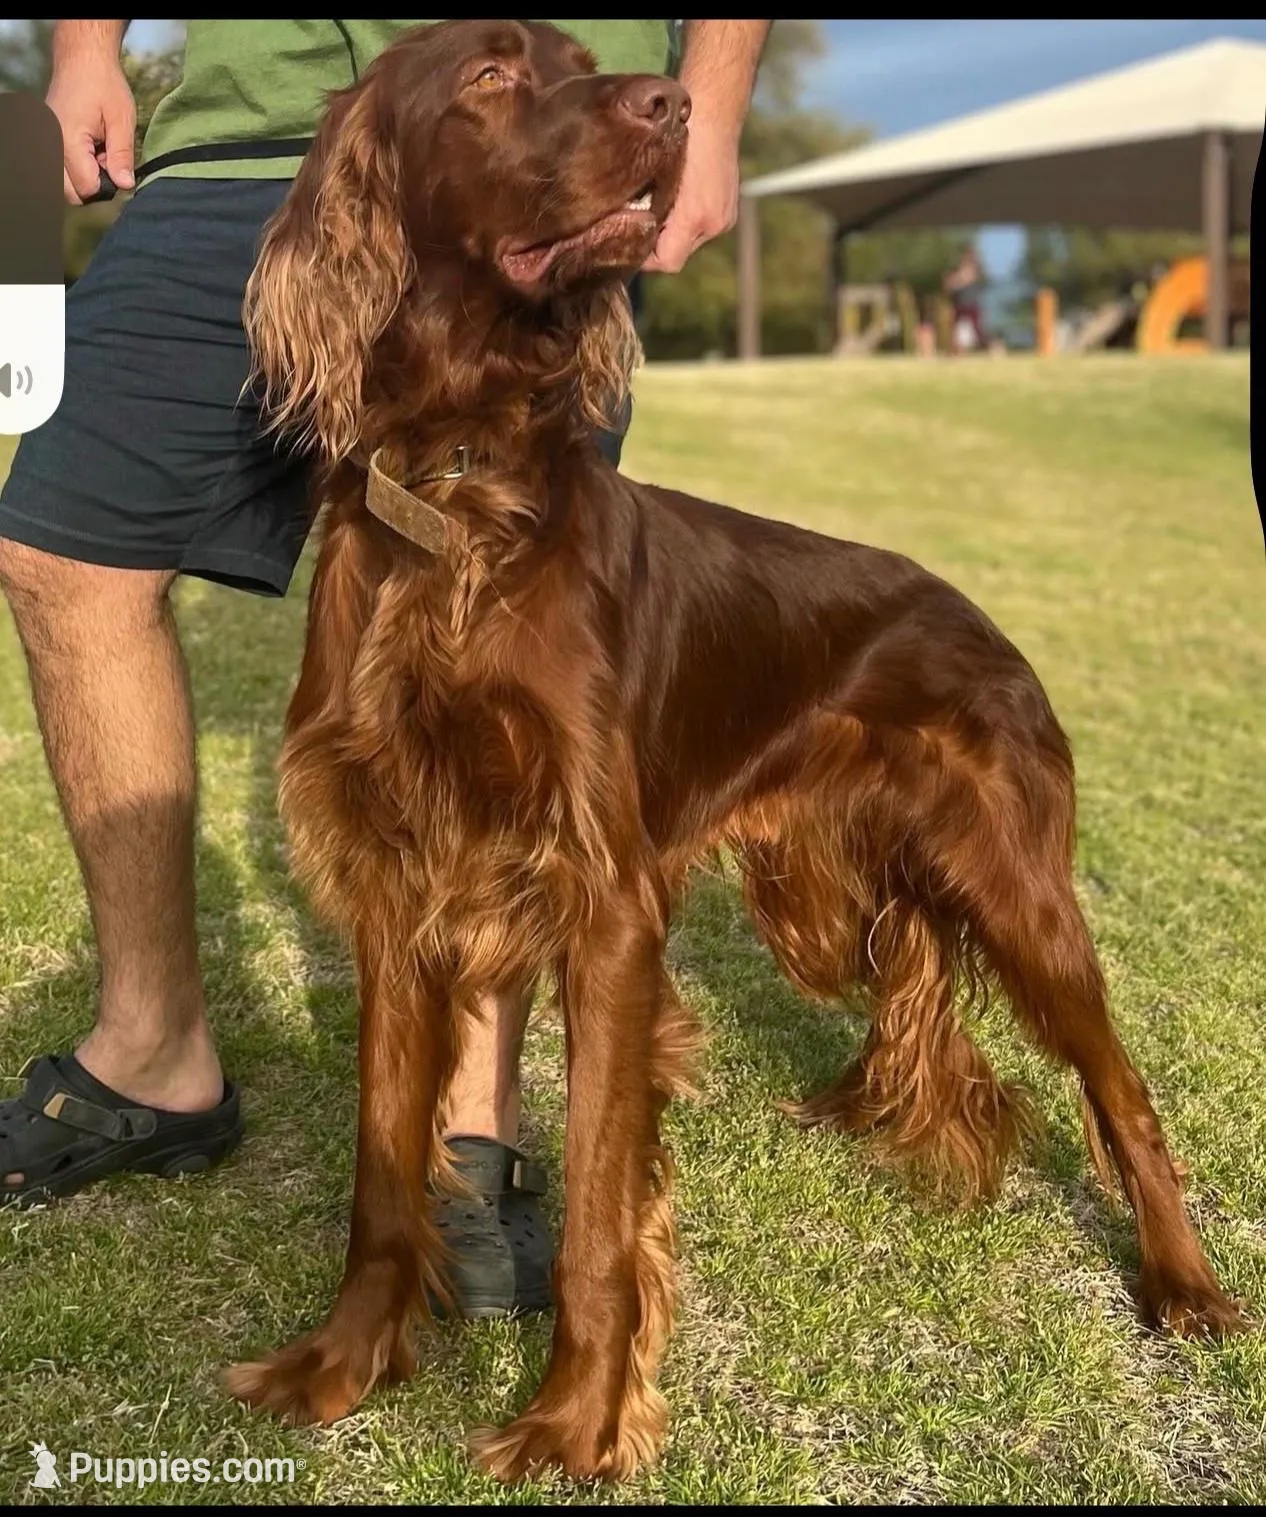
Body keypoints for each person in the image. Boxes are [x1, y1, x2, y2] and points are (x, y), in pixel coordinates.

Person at [0, 19, 771, 1318]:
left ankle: (471, 1131)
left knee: (505, 634)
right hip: (238, 145)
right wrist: (82, 49)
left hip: (535, 138)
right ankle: (149, 1056)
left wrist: (713, 102)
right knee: (62, 553)